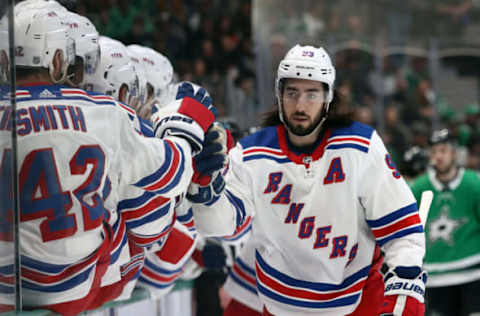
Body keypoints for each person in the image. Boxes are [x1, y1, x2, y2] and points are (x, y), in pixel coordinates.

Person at [190, 44, 427, 316]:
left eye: (311, 94)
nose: (300, 105)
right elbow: (218, 226)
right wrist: (205, 186)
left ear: (328, 98)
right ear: (279, 95)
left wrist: (405, 282)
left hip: (358, 299)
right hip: (282, 305)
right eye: (292, 93)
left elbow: (402, 230)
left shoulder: (360, 147)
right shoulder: (252, 156)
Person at [10, 7, 217, 315]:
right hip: (78, 289)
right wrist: (187, 129)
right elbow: (156, 235)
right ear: (56, 59)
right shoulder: (105, 113)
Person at [410, 129, 480, 316]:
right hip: (436, 277)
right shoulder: (419, 188)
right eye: (434, 152)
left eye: (443, 151)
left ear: (454, 153)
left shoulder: (474, 183)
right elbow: (411, 230)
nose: (438, 156)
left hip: (473, 273)